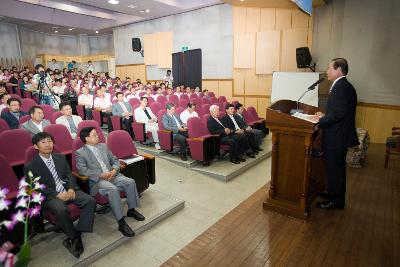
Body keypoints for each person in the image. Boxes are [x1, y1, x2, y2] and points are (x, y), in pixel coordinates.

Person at [24, 132, 96, 258]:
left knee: (90, 201)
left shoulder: (60, 157)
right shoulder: (30, 166)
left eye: (50, 141)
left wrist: (71, 188)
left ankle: (78, 231)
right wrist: (57, 194)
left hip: (68, 189)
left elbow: (69, 174)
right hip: (50, 195)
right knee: (61, 209)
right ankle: (72, 237)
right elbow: (35, 188)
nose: (48, 145)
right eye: (43, 142)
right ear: (36, 146)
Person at [76, 127, 145, 237]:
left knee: (130, 182)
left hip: (113, 175)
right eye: (94, 135)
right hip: (98, 181)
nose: (98, 136)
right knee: (113, 189)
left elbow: (115, 160)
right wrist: (100, 175)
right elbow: (82, 170)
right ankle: (121, 222)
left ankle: (131, 210)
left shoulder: (103, 146)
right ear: (87, 138)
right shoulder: (80, 153)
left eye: (97, 134)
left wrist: (114, 170)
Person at [312, 58, 359, 210]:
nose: (327, 71)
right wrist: (324, 114)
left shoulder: (342, 88)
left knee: (335, 169)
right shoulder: (342, 86)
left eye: (329, 68)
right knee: (335, 169)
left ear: (339, 69)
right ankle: (334, 194)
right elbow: (338, 111)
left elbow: (338, 115)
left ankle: (336, 201)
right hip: (338, 135)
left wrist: (321, 121)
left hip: (337, 137)